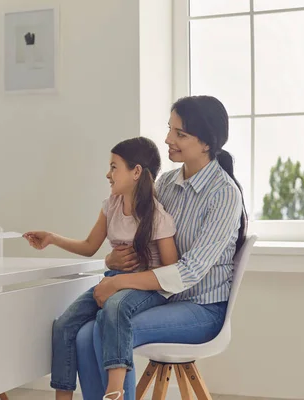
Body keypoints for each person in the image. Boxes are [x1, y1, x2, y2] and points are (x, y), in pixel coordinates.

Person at [74, 95, 247, 400]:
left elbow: (189, 271)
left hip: (202, 309)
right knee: (85, 334)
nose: (168, 139)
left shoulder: (223, 195)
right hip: (161, 301)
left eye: (180, 134)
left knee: (105, 328)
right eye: (170, 129)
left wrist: (118, 282)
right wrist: (111, 259)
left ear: (206, 143)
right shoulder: (165, 184)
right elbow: (137, 240)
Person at [23, 137, 178, 400]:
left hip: (146, 289)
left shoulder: (158, 217)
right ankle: (63, 397)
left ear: (136, 171)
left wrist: (133, 277)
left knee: (115, 308)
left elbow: (172, 269)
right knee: (64, 325)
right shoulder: (111, 206)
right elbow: (88, 246)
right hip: (113, 281)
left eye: (114, 166)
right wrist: (52, 238)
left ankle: (114, 391)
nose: (108, 174)